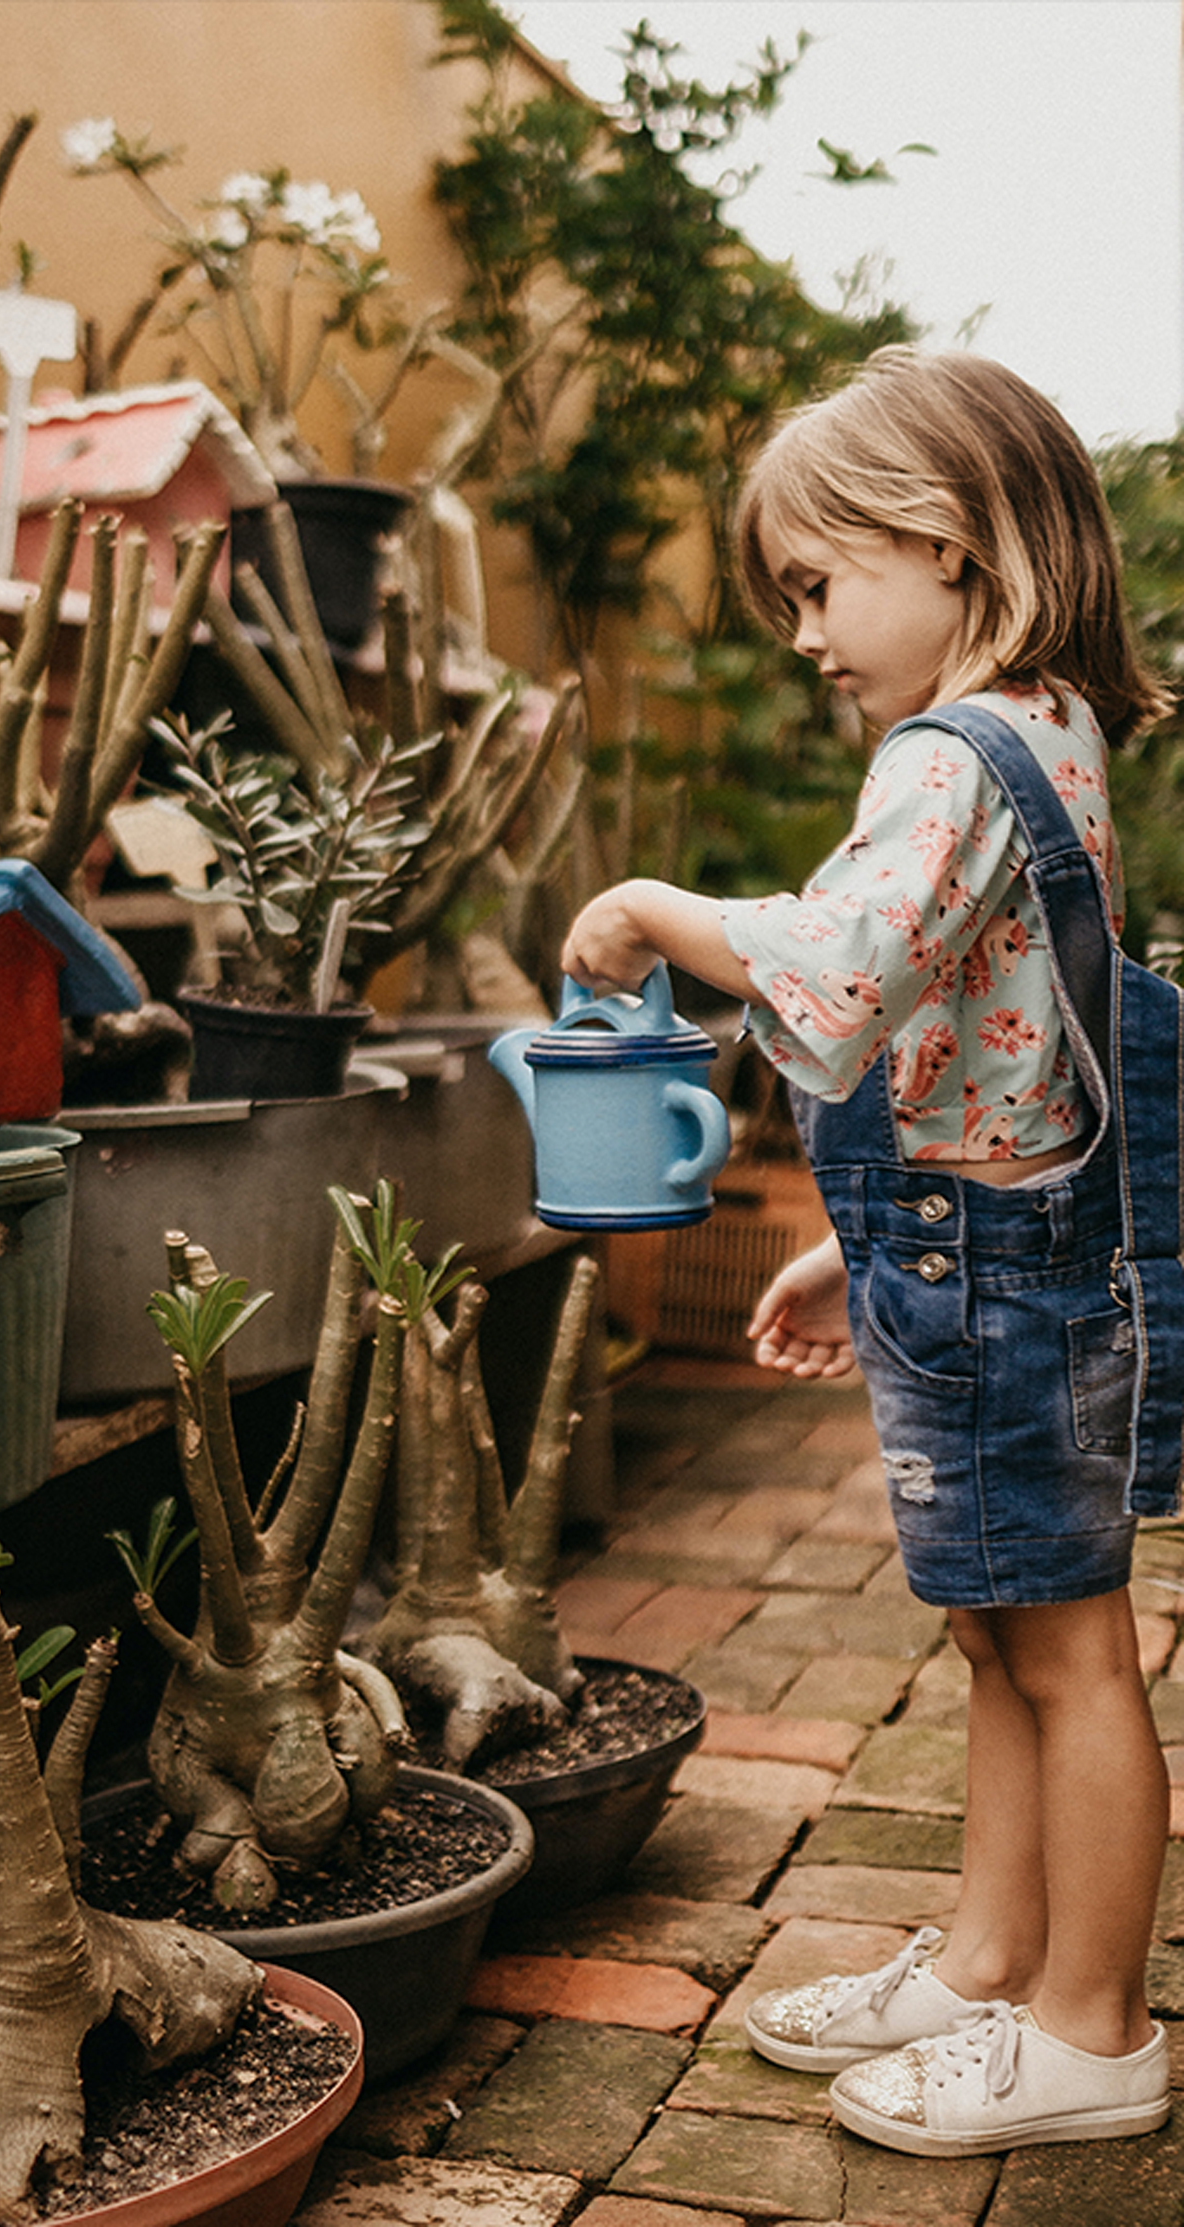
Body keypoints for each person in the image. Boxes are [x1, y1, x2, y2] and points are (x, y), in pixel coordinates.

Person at [561, 346, 1176, 2157]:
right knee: (1006, 1637)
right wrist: (862, 1246)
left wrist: (648, 909)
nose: (806, 634)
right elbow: (1000, 1032)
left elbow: (832, 972)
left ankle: (1092, 2029)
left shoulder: (953, 752)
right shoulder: (1038, 735)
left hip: (1006, 1278)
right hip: (994, 1240)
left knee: (1066, 1652)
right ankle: (992, 1962)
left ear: (956, 542)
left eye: (821, 585)